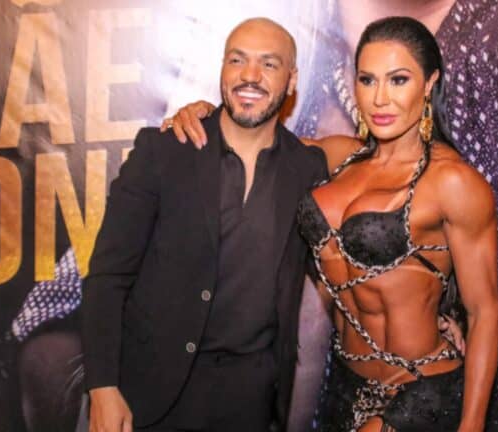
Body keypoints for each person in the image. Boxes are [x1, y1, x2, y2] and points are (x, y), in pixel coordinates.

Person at [165, 16, 498, 432]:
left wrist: (472, 424)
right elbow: (251, 139)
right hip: (344, 385)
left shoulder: (452, 181)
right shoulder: (341, 157)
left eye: (398, 80)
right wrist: (202, 114)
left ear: (429, 83)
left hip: (419, 389)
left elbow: (484, 311)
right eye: (367, 80)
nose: (380, 98)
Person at [81, 17, 328, 432]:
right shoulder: (164, 152)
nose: (250, 75)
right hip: (151, 396)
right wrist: (103, 387)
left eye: (269, 64)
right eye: (237, 60)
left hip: (252, 404)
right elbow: (108, 275)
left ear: (292, 80)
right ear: (222, 68)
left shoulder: (309, 169)